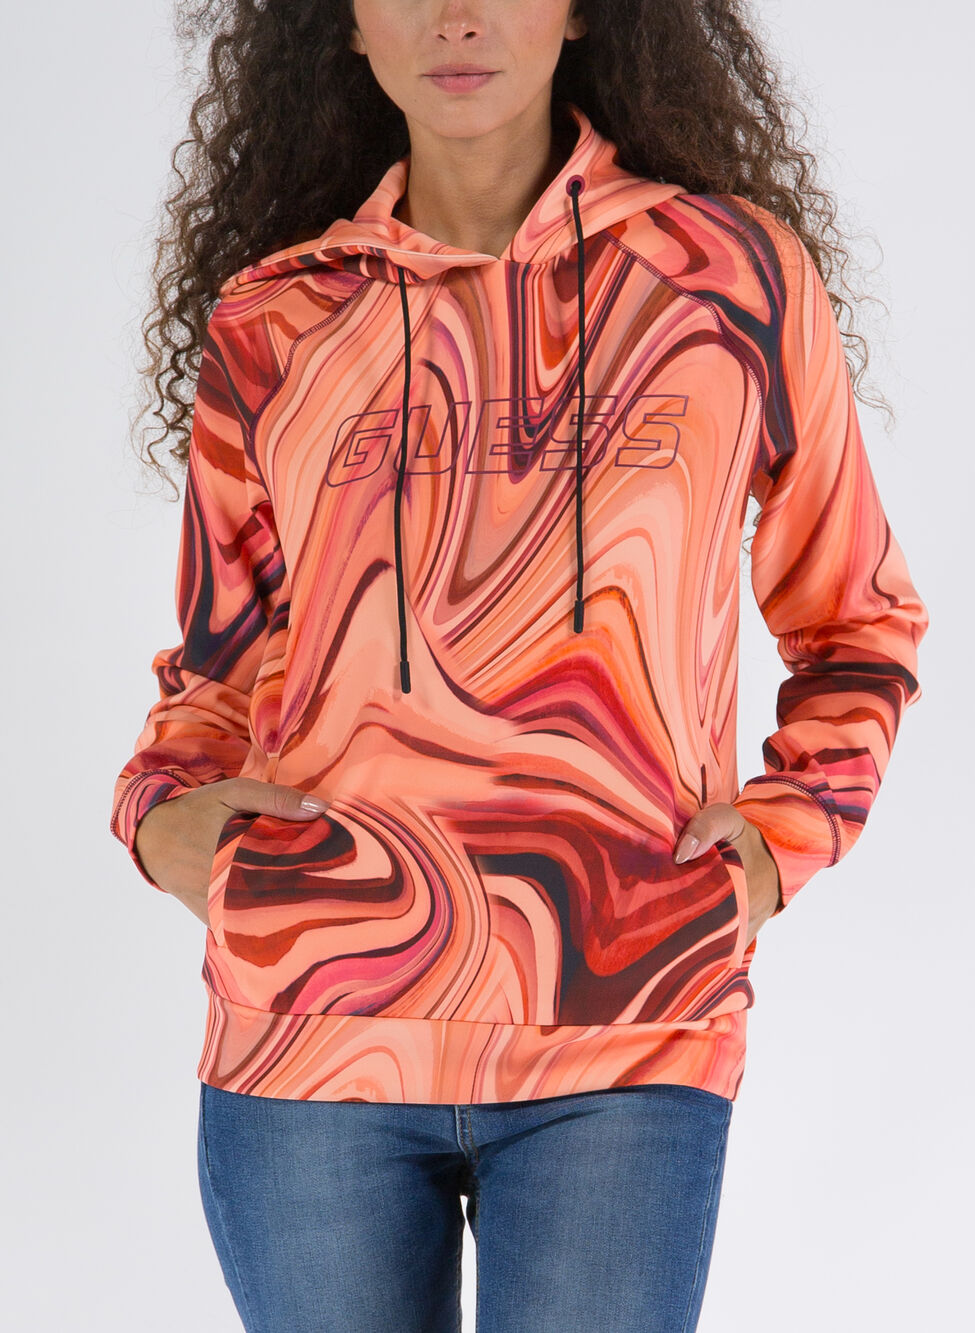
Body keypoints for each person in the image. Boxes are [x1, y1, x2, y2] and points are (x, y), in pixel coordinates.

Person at [109, 2, 929, 1329]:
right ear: (346, 25)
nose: (457, 16)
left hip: (628, 1022)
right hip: (312, 1022)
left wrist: (784, 841)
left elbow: (856, 618)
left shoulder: (729, 281)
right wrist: (161, 817)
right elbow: (218, 668)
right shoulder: (276, 319)